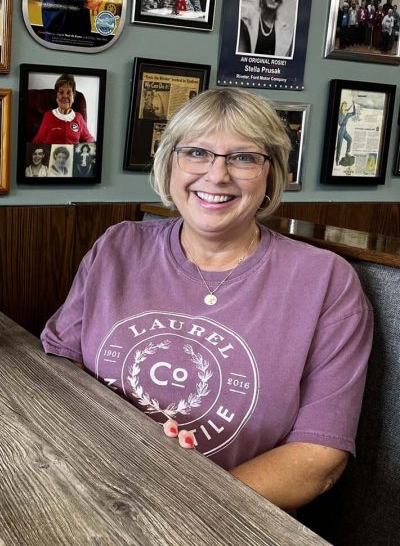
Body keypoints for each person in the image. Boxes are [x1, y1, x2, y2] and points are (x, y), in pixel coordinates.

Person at [41, 88, 373, 511]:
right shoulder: (118, 247)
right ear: (170, 164)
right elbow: (60, 364)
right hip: (88, 487)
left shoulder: (325, 281)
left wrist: (185, 506)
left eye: (244, 157)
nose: (217, 175)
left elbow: (319, 457)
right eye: (197, 152)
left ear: (272, 174)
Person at [33, 74, 95, 144]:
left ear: (73, 98)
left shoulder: (79, 117)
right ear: (56, 97)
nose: (65, 96)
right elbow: (37, 141)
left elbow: (88, 138)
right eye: (61, 92)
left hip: (73, 154)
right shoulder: (48, 116)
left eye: (69, 93)